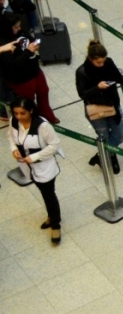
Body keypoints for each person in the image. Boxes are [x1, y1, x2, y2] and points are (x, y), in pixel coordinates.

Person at [75, 40, 123, 175]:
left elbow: (118, 77)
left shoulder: (108, 63)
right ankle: (110, 155)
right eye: (99, 62)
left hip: (112, 104)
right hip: (97, 108)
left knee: (121, 134)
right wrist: (97, 88)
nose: (102, 64)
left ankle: (101, 155)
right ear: (90, 59)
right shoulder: (82, 72)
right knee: (103, 137)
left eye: (103, 61)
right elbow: (82, 94)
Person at [8, 96, 62, 244]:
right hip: (27, 166)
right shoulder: (14, 121)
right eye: (16, 113)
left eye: (22, 113)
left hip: (44, 166)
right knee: (43, 190)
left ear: (31, 111)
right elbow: (11, 137)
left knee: (48, 193)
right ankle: (52, 216)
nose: (19, 117)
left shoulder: (42, 126)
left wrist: (34, 157)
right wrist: (14, 150)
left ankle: (55, 223)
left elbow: (54, 145)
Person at [0, 14, 58, 123]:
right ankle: (33, 121)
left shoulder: (21, 32)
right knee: (27, 101)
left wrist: (35, 44)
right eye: (16, 27)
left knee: (43, 92)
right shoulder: (3, 44)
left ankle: (47, 115)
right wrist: (28, 51)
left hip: (35, 70)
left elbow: (30, 38)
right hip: (21, 79)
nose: (19, 28)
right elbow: (13, 64)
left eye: (19, 26)